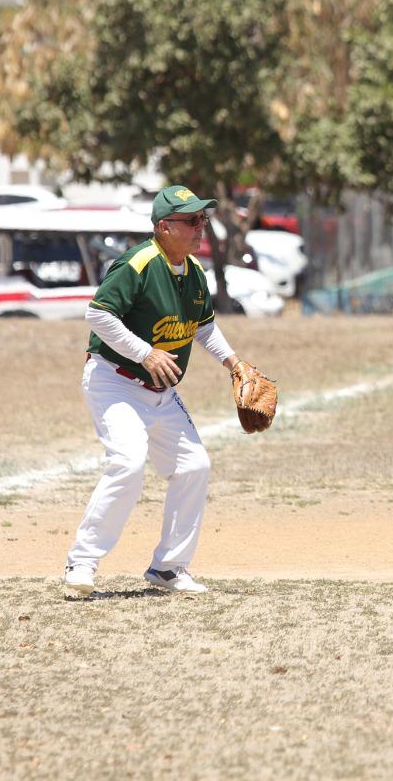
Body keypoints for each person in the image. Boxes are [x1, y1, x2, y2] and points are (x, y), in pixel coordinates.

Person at [63, 184, 267, 598]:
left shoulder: (192, 272)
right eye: (191, 220)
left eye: (202, 219)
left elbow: (203, 327)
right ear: (163, 227)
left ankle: (169, 568)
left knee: (194, 466)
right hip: (114, 381)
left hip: (161, 392)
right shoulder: (138, 263)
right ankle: (81, 563)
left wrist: (234, 363)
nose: (200, 227)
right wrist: (144, 352)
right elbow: (98, 315)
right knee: (128, 462)